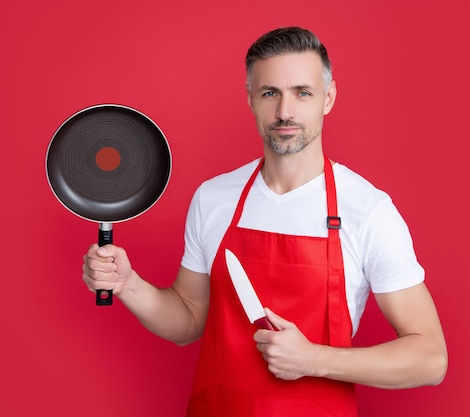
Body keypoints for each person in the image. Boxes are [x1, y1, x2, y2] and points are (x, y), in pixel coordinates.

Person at [82, 26, 447, 417]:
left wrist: (315, 360)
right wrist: (129, 285)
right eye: (270, 93)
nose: (285, 111)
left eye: (302, 93)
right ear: (250, 99)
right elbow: (188, 319)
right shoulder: (214, 198)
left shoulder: (368, 210)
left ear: (328, 98)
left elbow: (429, 358)